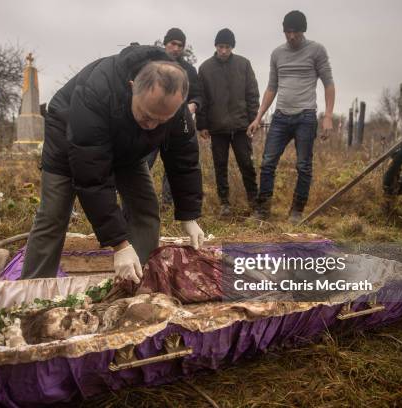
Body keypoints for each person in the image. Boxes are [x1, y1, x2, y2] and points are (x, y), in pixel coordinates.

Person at [21, 45, 204, 283]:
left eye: (162, 122)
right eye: (147, 116)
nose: (153, 126)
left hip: (128, 147)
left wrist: (189, 216)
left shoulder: (176, 108)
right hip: (70, 137)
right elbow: (92, 175)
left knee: (145, 207)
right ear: (132, 89)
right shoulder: (96, 91)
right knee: (54, 214)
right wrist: (119, 244)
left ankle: (138, 281)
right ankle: (32, 290)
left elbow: (184, 160)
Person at [248, 10, 335, 223]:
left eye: (296, 31)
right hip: (280, 117)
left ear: (303, 30)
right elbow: (272, 87)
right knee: (267, 162)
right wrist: (258, 117)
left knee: (303, 165)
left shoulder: (316, 50)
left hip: (305, 116)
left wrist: (328, 116)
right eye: (288, 32)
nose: (292, 36)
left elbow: (329, 83)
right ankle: (263, 210)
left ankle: (296, 211)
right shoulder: (277, 54)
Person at [197, 28, 260, 217]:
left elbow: (252, 94)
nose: (223, 50)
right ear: (216, 46)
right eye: (220, 47)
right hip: (217, 128)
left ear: (232, 47)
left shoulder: (244, 65)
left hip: (241, 127)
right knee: (220, 166)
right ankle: (224, 203)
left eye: (227, 47)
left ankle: (254, 201)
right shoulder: (205, 68)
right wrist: (202, 124)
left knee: (246, 165)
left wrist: (253, 120)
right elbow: (202, 97)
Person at [146, 28, 203, 208]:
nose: (176, 48)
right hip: (153, 124)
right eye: (173, 43)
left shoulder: (189, 70)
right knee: (144, 163)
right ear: (165, 43)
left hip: (178, 126)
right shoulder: (152, 65)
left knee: (175, 165)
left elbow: (198, 95)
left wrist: (192, 105)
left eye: (180, 45)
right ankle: (139, 200)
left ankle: (168, 204)